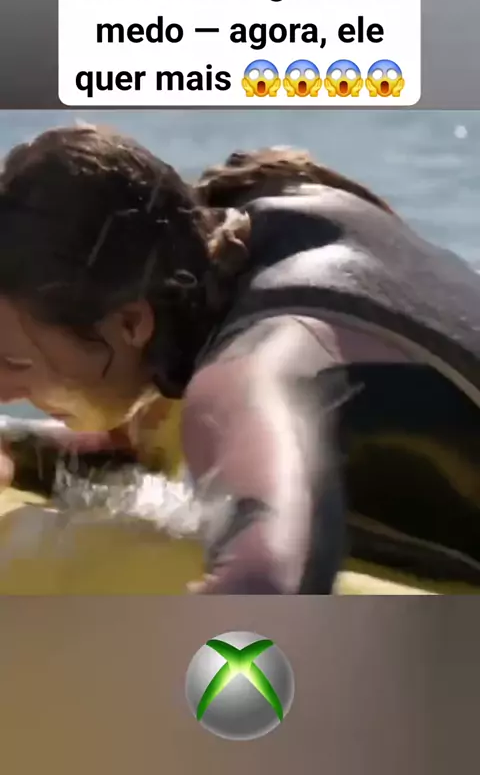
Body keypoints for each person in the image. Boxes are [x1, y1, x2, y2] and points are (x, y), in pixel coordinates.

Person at [0, 127, 478, 594]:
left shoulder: (252, 372)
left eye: (14, 362)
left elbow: (268, 576)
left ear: (130, 324)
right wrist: (13, 448)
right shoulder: (226, 241)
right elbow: (139, 452)